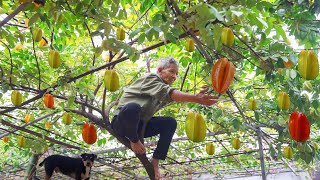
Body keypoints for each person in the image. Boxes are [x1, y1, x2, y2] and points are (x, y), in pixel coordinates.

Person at [111, 57, 218, 179]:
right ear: (160, 70)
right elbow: (169, 93)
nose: (174, 76)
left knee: (169, 122)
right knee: (132, 107)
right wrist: (195, 98)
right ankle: (134, 139)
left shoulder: (159, 91)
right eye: (172, 71)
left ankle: (155, 161)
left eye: (177, 74)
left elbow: (171, 96)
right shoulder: (151, 78)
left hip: (140, 125)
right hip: (122, 123)